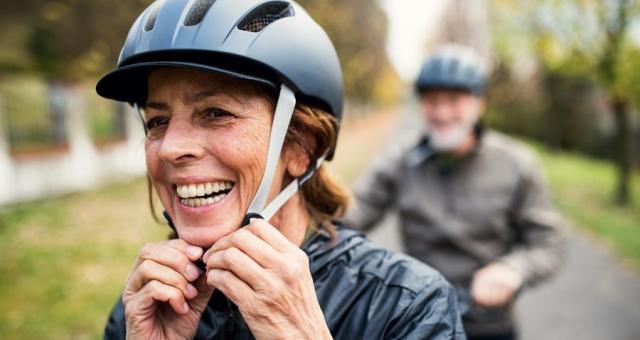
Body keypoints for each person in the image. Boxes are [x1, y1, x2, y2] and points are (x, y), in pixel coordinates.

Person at [96, 1, 465, 339]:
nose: (171, 148)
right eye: (158, 120)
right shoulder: (148, 300)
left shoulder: (409, 307)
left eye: (216, 113)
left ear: (302, 147)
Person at [345, 44, 566, 340]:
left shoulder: (517, 164)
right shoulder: (400, 160)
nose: (442, 112)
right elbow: (351, 214)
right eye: (432, 101)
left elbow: (548, 243)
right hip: (418, 319)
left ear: (479, 103)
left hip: (489, 322)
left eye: (454, 99)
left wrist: (513, 269)